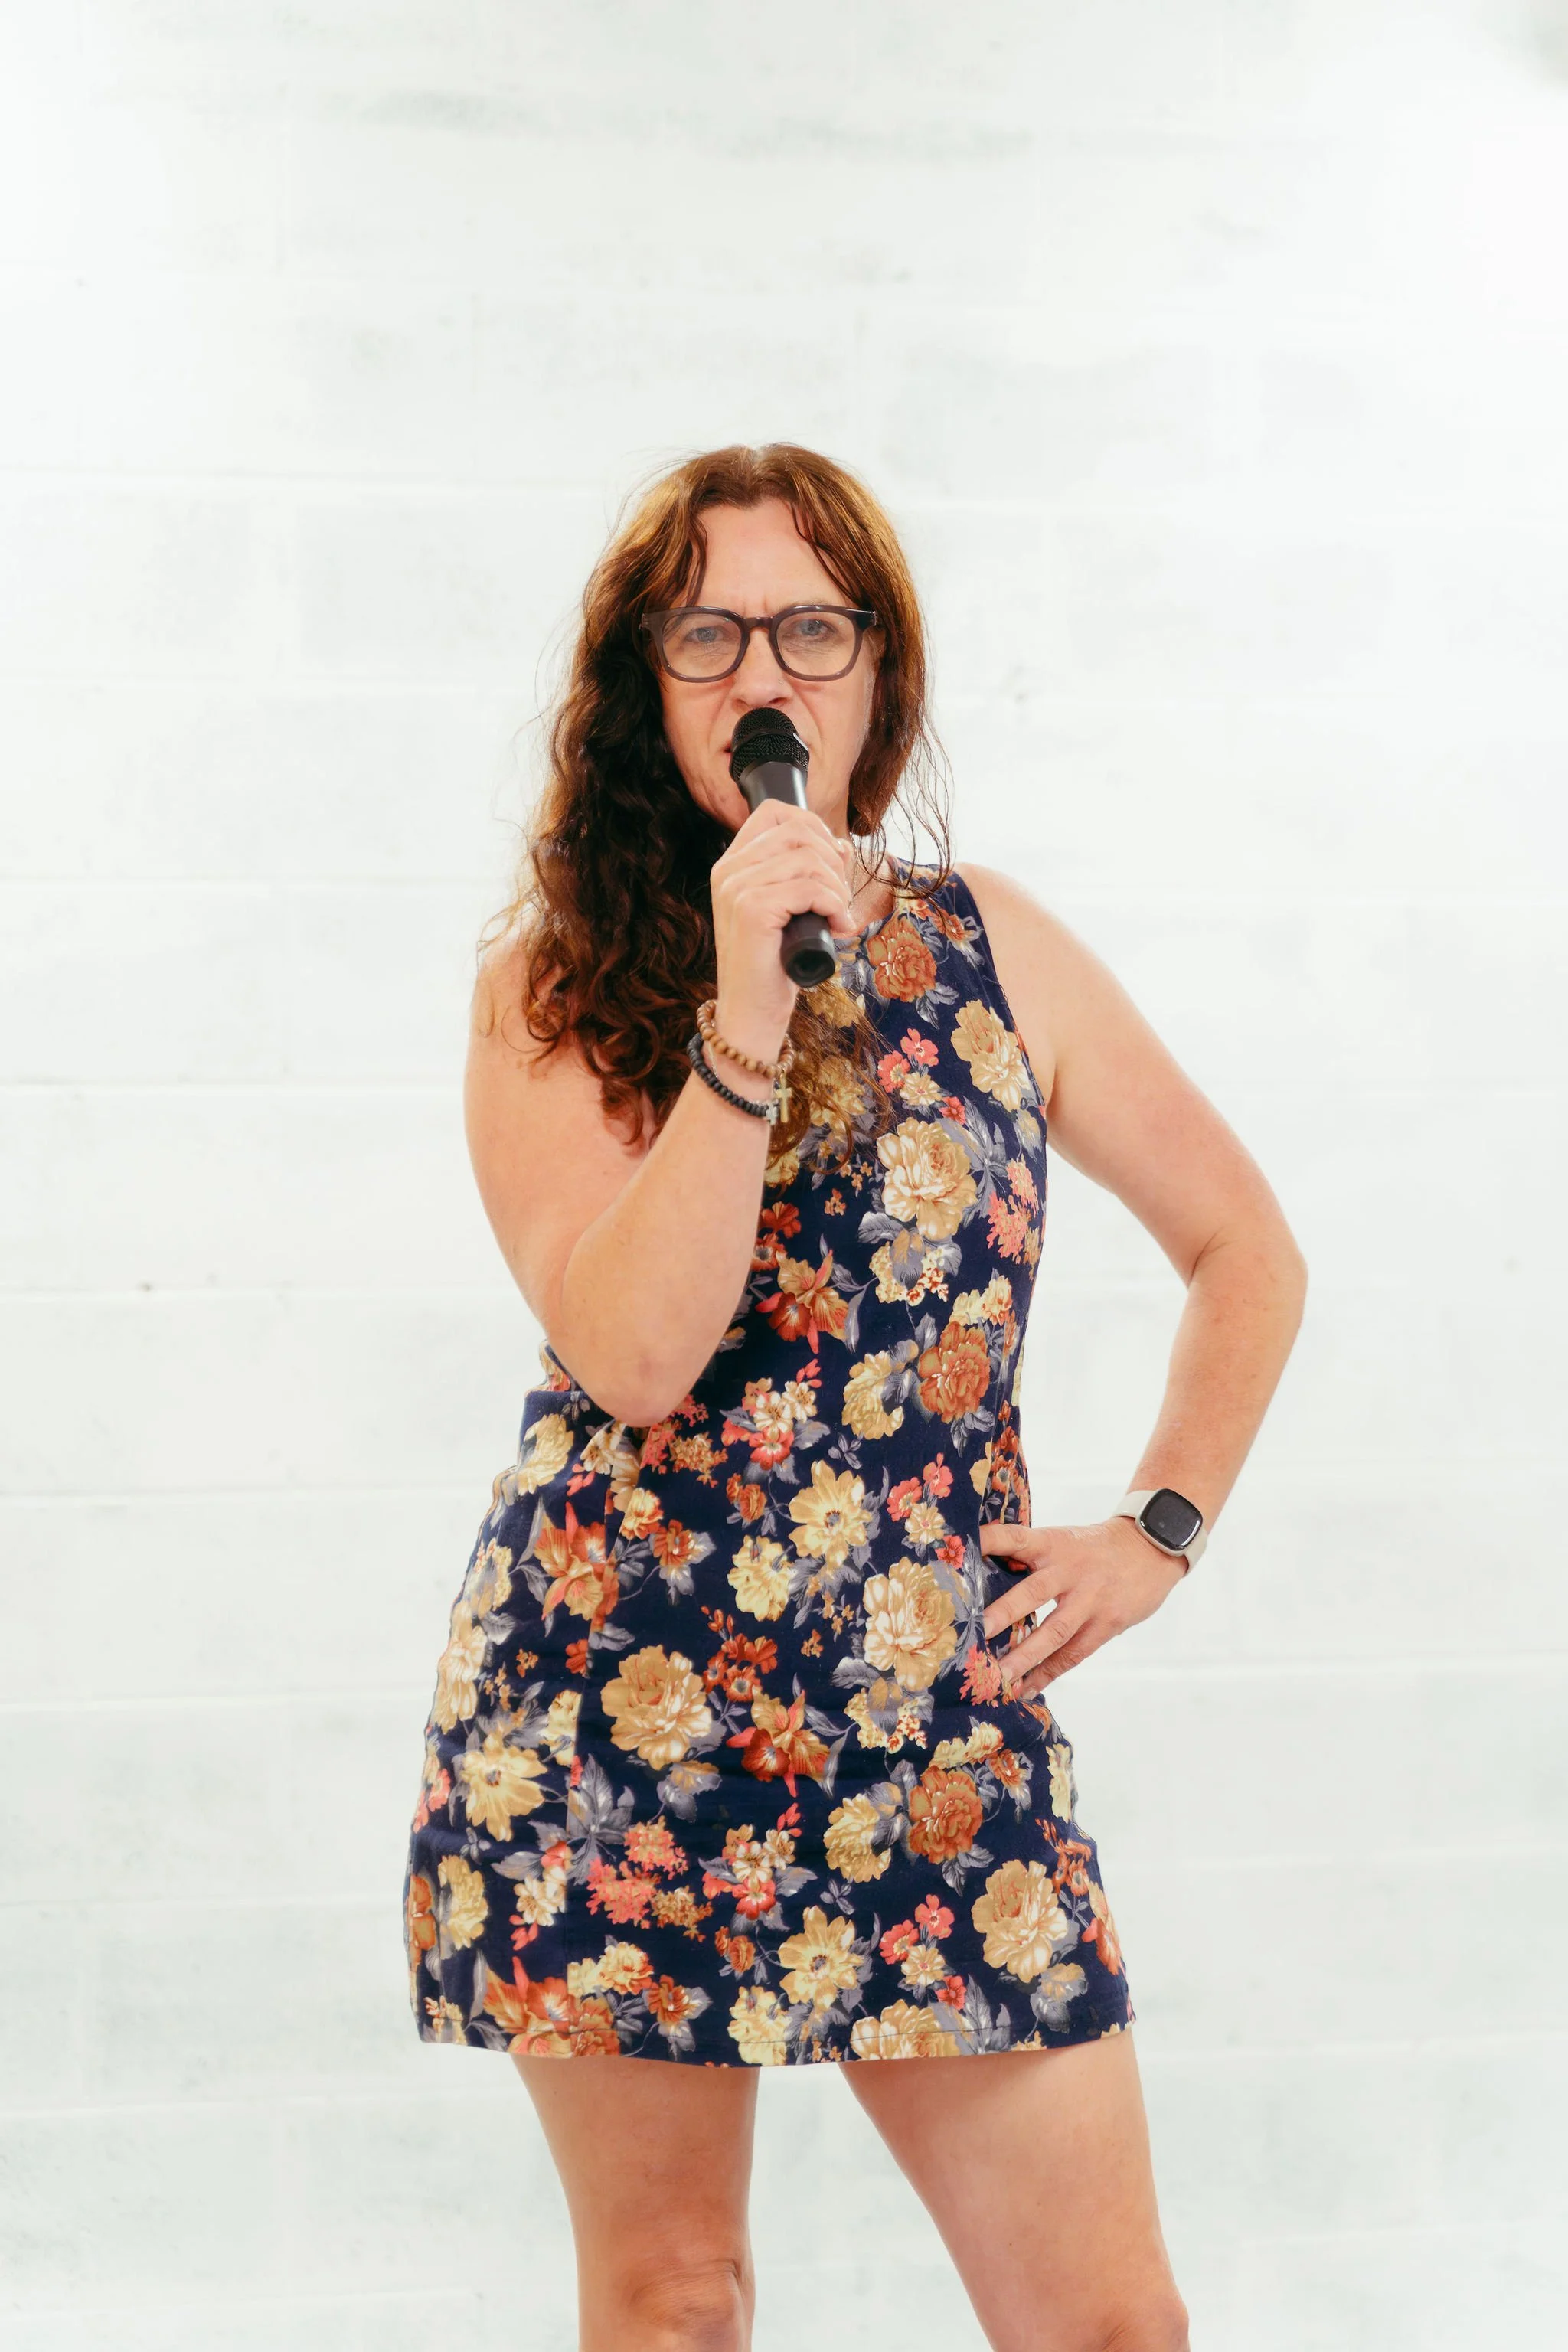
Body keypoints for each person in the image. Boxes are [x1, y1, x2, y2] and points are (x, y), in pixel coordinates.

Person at [401, 443, 1307, 2352]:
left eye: (811, 629)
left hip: (934, 1727)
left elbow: (1246, 1247)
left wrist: (1157, 1530)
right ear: (646, 684)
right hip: (619, 1719)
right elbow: (635, 1355)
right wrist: (746, 1003)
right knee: (677, 2301)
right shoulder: (551, 987)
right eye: (708, 634)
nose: (763, 675)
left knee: (1111, 2327)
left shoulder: (994, 946)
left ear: (877, 672)